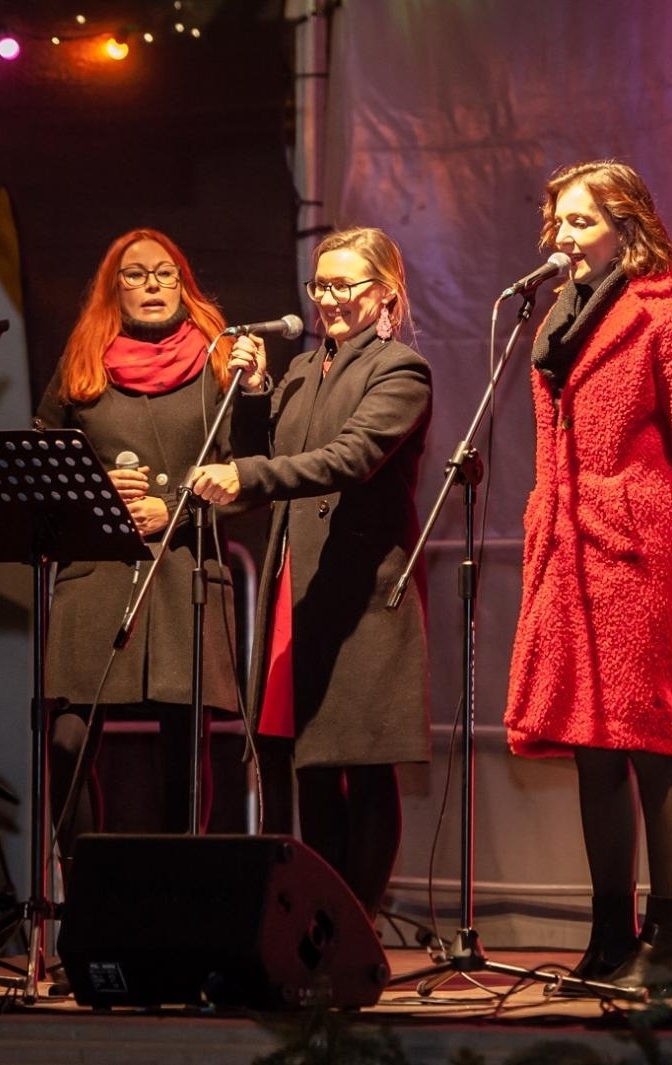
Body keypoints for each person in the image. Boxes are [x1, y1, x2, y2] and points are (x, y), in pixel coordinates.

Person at [503, 160, 672, 997]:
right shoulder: (556, 321)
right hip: (570, 548)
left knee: (654, 742)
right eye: (558, 223)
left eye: (580, 222)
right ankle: (609, 936)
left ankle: (668, 944)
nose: (562, 238)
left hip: (639, 550)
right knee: (592, 746)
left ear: (626, 227)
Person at [189, 226, 432, 919]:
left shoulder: (400, 370)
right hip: (300, 584)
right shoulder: (302, 369)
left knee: (363, 760)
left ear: (385, 290)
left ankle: (355, 924)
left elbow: (348, 459)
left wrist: (247, 470)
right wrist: (257, 394)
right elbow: (263, 476)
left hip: (361, 593)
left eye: (344, 284)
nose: (328, 298)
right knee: (312, 766)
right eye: (319, 284)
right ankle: (320, 927)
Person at [35, 228, 244, 852]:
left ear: (184, 283)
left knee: (185, 747)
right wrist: (93, 485)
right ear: (112, 288)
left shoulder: (220, 358)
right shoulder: (82, 361)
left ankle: (174, 901)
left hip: (186, 573)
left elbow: (251, 468)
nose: (151, 286)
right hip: (97, 575)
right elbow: (42, 461)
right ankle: (87, 901)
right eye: (135, 275)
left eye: (165, 274)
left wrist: (172, 508)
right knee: (66, 743)